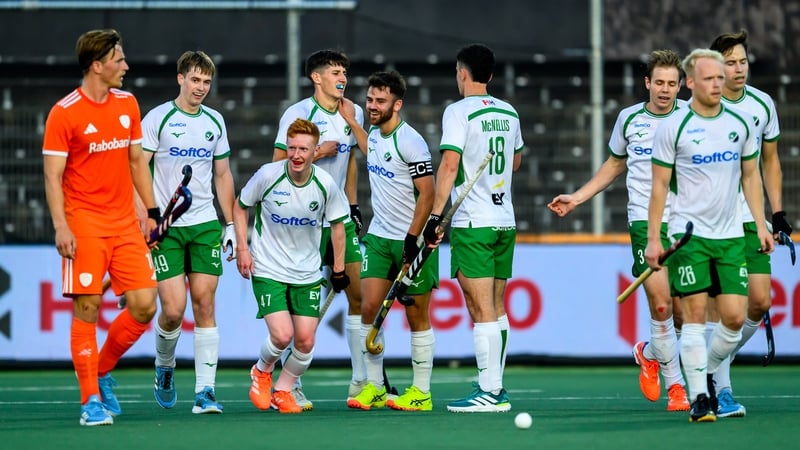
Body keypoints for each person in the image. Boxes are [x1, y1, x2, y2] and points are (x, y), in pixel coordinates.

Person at [547, 50, 690, 412]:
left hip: (686, 224)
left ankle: (649, 352)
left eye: (672, 84)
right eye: (659, 82)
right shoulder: (629, 119)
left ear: (681, 85)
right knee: (660, 304)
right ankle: (678, 390)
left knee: (683, 314)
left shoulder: (691, 116)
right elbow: (614, 164)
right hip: (645, 221)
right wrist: (578, 198)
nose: (665, 90)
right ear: (647, 83)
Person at [645, 48, 773, 423]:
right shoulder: (675, 127)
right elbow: (658, 187)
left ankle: (705, 373)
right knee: (695, 316)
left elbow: (751, 176)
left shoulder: (740, 123)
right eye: (710, 78)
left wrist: (761, 224)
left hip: (732, 234)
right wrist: (655, 239)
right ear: (691, 82)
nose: (718, 83)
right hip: (690, 236)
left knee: (734, 319)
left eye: (721, 77)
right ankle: (701, 396)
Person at [42, 29, 160, 426]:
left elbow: (136, 162)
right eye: (119, 59)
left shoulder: (128, 103)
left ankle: (103, 370)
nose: (126, 66)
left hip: (125, 223)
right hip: (84, 224)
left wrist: (152, 210)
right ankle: (90, 399)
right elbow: (52, 176)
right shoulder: (64, 113)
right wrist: (61, 226)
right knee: (88, 308)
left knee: (145, 305)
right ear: (97, 65)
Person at [423, 43, 523, 413]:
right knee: (495, 307)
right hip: (504, 220)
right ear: (491, 75)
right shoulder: (509, 111)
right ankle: (494, 383)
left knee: (479, 307)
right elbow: (514, 163)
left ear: (462, 73)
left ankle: (490, 391)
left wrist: (435, 218)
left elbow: (449, 166)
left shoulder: (458, 111)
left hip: (473, 222)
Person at [141, 50, 236, 414]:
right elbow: (139, 172)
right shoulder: (158, 118)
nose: (201, 87)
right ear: (180, 79)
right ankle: (164, 365)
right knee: (173, 311)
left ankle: (205, 391)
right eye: (195, 80)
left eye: (206, 82)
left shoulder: (215, 121)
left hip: (203, 224)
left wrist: (228, 224)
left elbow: (223, 175)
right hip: (166, 228)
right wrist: (146, 217)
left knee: (205, 304)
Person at [235, 118, 350, 414]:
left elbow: (338, 227)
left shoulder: (325, 185)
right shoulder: (267, 175)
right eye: (292, 147)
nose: (297, 155)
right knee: (282, 335)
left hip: (307, 272)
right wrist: (243, 248)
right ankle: (262, 371)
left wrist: (338, 270)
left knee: (306, 340)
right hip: (268, 267)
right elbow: (240, 205)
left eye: (304, 149)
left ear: (315, 152)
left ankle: (283, 389)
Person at [339, 71, 438, 411]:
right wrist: (354, 125)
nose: (372, 106)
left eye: (380, 101)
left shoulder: (411, 141)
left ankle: (420, 393)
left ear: (397, 104)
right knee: (369, 308)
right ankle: (376, 387)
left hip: (413, 240)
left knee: (416, 315)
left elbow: (428, 193)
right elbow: (371, 150)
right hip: (379, 237)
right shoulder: (376, 137)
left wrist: (414, 238)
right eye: (369, 100)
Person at [272, 49, 365, 409]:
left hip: (337, 219)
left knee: (358, 294)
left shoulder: (351, 111)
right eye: (336, 72)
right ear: (317, 77)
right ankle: (289, 383)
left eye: (345, 71)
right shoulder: (298, 114)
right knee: (301, 306)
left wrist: (353, 206)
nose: (343, 77)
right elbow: (278, 164)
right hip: (302, 222)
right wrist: (316, 154)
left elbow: (352, 160)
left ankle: (361, 381)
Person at [705, 30, 791, 419]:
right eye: (730, 62)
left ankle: (705, 364)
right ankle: (719, 388)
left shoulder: (762, 104)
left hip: (751, 219)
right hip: (712, 224)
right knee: (723, 312)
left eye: (743, 61)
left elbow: (769, 162)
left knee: (759, 302)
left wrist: (776, 215)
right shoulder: (703, 106)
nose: (738, 69)